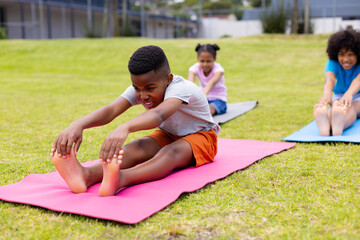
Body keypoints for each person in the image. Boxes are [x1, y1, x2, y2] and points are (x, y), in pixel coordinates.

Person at [50, 45, 220, 196]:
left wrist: (125, 127)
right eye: (137, 88)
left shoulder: (182, 88)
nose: (143, 95)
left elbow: (159, 115)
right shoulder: (142, 86)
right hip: (168, 133)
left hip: (202, 136)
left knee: (170, 152)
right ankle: (86, 175)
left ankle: (121, 179)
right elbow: (111, 110)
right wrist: (79, 124)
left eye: (150, 89)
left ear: (168, 79)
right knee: (137, 146)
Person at [314, 28, 360, 136]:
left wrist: (348, 95)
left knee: (352, 106)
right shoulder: (332, 63)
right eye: (341, 54)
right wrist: (327, 95)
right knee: (336, 108)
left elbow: (358, 80)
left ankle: (333, 127)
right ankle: (329, 125)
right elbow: (330, 79)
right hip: (339, 95)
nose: (345, 59)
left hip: (357, 95)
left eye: (351, 54)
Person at [188, 43, 228, 115]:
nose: (205, 64)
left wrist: (203, 95)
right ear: (198, 59)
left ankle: (203, 118)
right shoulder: (194, 68)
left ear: (214, 59)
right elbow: (190, 85)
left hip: (218, 100)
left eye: (208, 61)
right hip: (204, 99)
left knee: (209, 108)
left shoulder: (219, 70)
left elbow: (212, 83)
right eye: (202, 61)